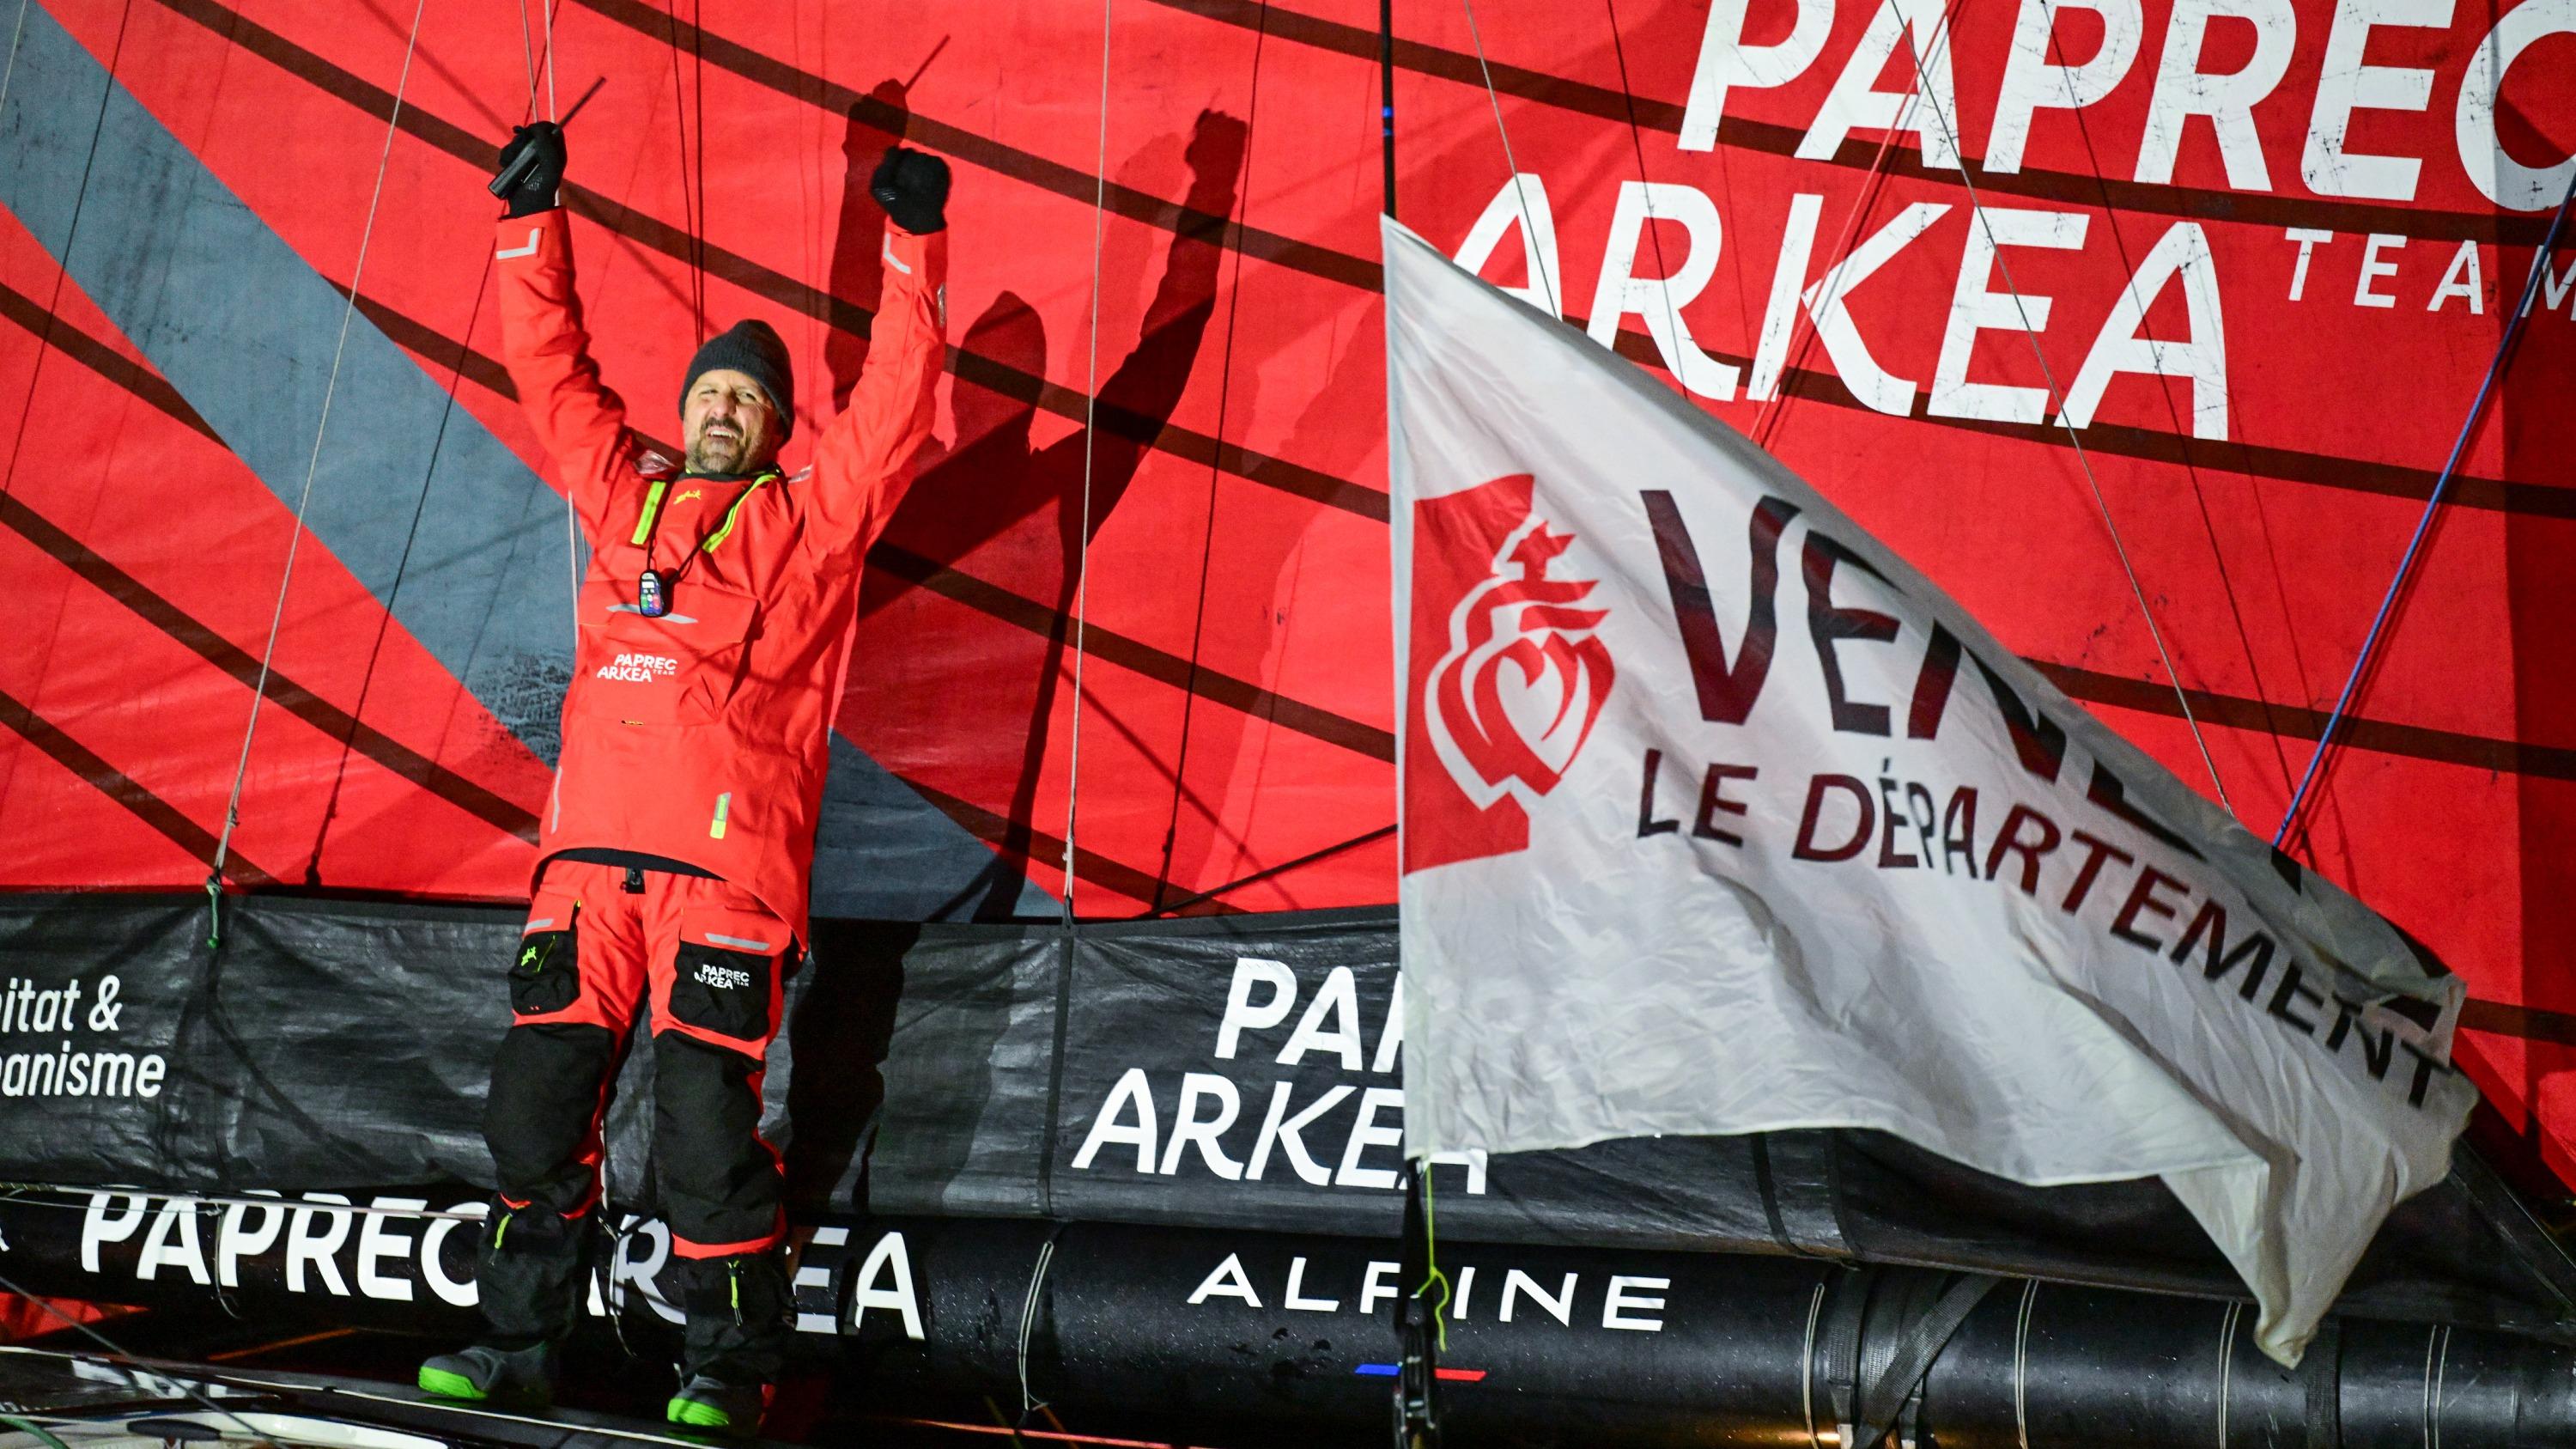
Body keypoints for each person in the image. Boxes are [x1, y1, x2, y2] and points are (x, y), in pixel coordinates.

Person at [416, 118, 952, 1434]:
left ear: (773, 429)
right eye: (711, 391)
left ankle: (728, 1367)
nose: (722, 408)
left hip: (722, 881)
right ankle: (518, 1346)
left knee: (707, 1134)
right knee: (534, 1111)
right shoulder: (623, 496)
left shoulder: (807, 523)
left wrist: (911, 242)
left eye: (748, 401)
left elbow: (893, 404)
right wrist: (528, 227)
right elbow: (552, 374)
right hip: (587, 871)